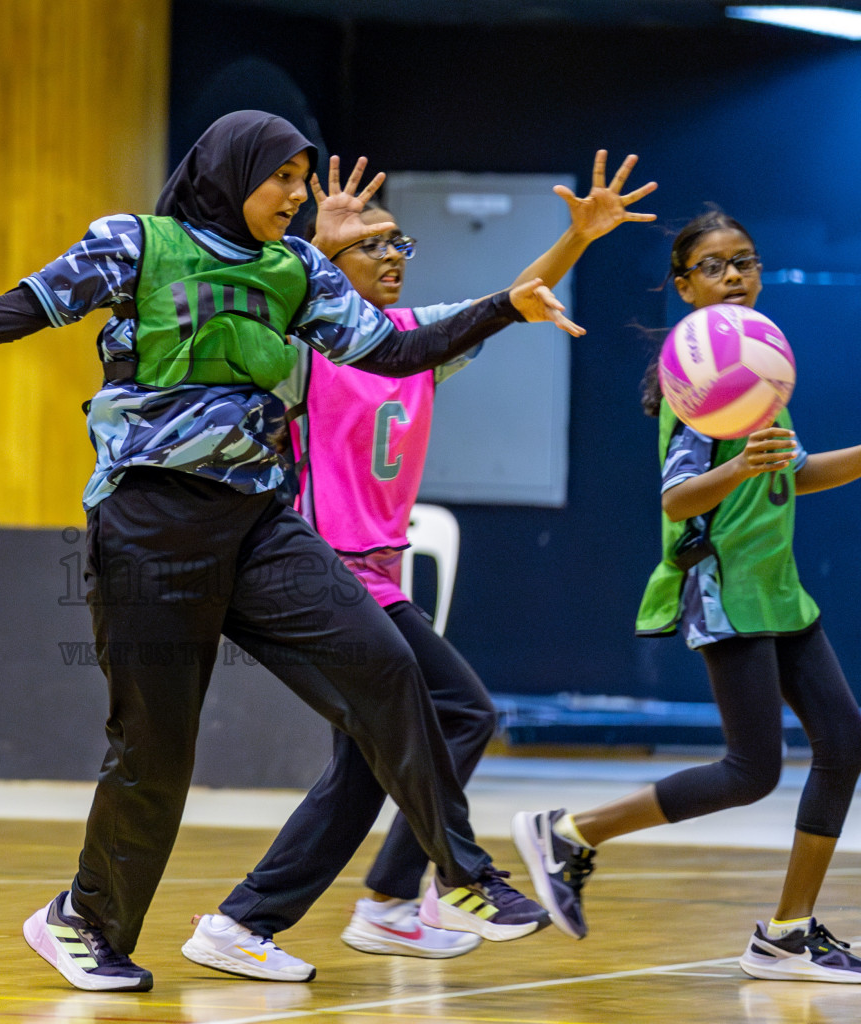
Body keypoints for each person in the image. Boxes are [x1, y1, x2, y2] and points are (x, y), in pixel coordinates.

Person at [0, 110, 582, 993]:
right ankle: (82, 921)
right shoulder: (136, 245)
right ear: (231, 170)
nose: (297, 193)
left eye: (303, 176)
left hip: (260, 522)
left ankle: (463, 876)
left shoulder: (299, 269)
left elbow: (395, 351)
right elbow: (21, 310)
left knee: (388, 669)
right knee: (156, 751)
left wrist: (506, 307)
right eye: (280, 174)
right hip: (150, 526)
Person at [179, 151, 657, 982]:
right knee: (461, 712)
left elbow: (506, 303)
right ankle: (398, 897)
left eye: (402, 244)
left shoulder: (414, 342)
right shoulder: (300, 351)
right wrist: (319, 249)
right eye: (376, 245)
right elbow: (268, 297)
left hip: (376, 581)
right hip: (319, 576)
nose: (395, 256)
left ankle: (313, 914)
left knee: (372, 758)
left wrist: (576, 239)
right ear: (335, 267)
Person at [513, 207, 861, 984]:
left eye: (747, 262)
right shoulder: (694, 376)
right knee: (751, 769)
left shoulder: (760, 369)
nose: (736, 276)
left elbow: (795, 473)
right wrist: (738, 469)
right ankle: (569, 831)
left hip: (777, 587)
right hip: (724, 585)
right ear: (685, 284)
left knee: (845, 742)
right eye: (717, 265)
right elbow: (678, 499)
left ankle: (789, 933)